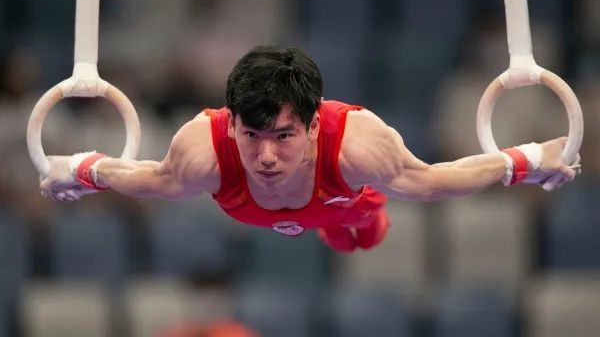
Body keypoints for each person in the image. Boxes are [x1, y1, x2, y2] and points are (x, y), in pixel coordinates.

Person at [39, 46, 581, 252]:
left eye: (283, 136)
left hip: (348, 204)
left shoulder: (356, 146)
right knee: (337, 232)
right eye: (251, 136)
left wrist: (529, 159)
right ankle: (329, 225)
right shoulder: (203, 150)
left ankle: (343, 225)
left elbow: (432, 181)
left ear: (315, 125)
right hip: (280, 207)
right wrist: (79, 168)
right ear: (231, 125)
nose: (265, 156)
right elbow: (148, 180)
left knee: (362, 238)